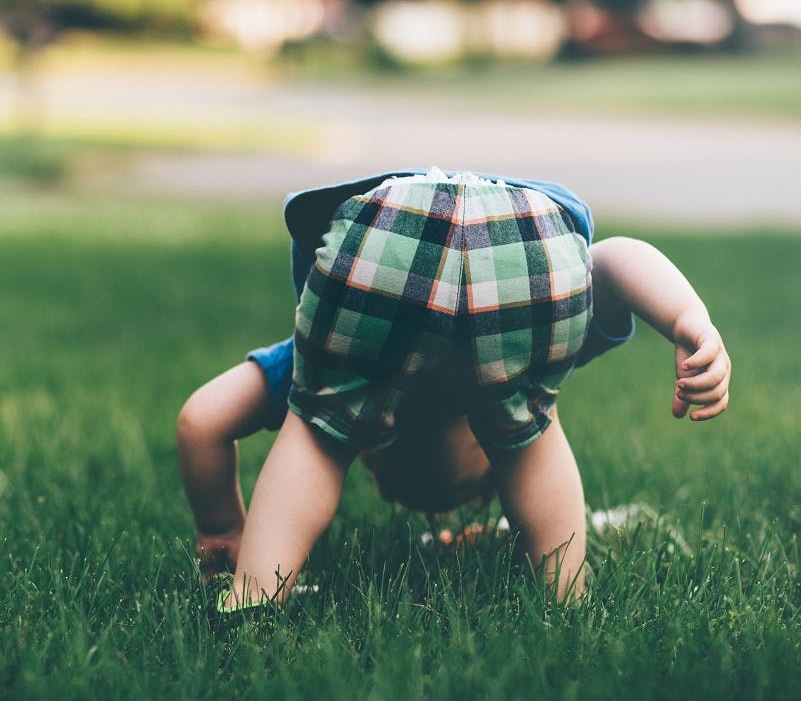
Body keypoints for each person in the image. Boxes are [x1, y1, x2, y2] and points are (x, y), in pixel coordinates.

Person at [176, 168, 730, 609]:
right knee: (524, 428)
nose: (383, 481)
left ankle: (254, 594)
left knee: (324, 431)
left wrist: (222, 525)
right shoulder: (503, 358)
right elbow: (611, 259)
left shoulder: (333, 361)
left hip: (437, 231)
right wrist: (687, 319)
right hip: (489, 230)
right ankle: (564, 601)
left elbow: (201, 419)